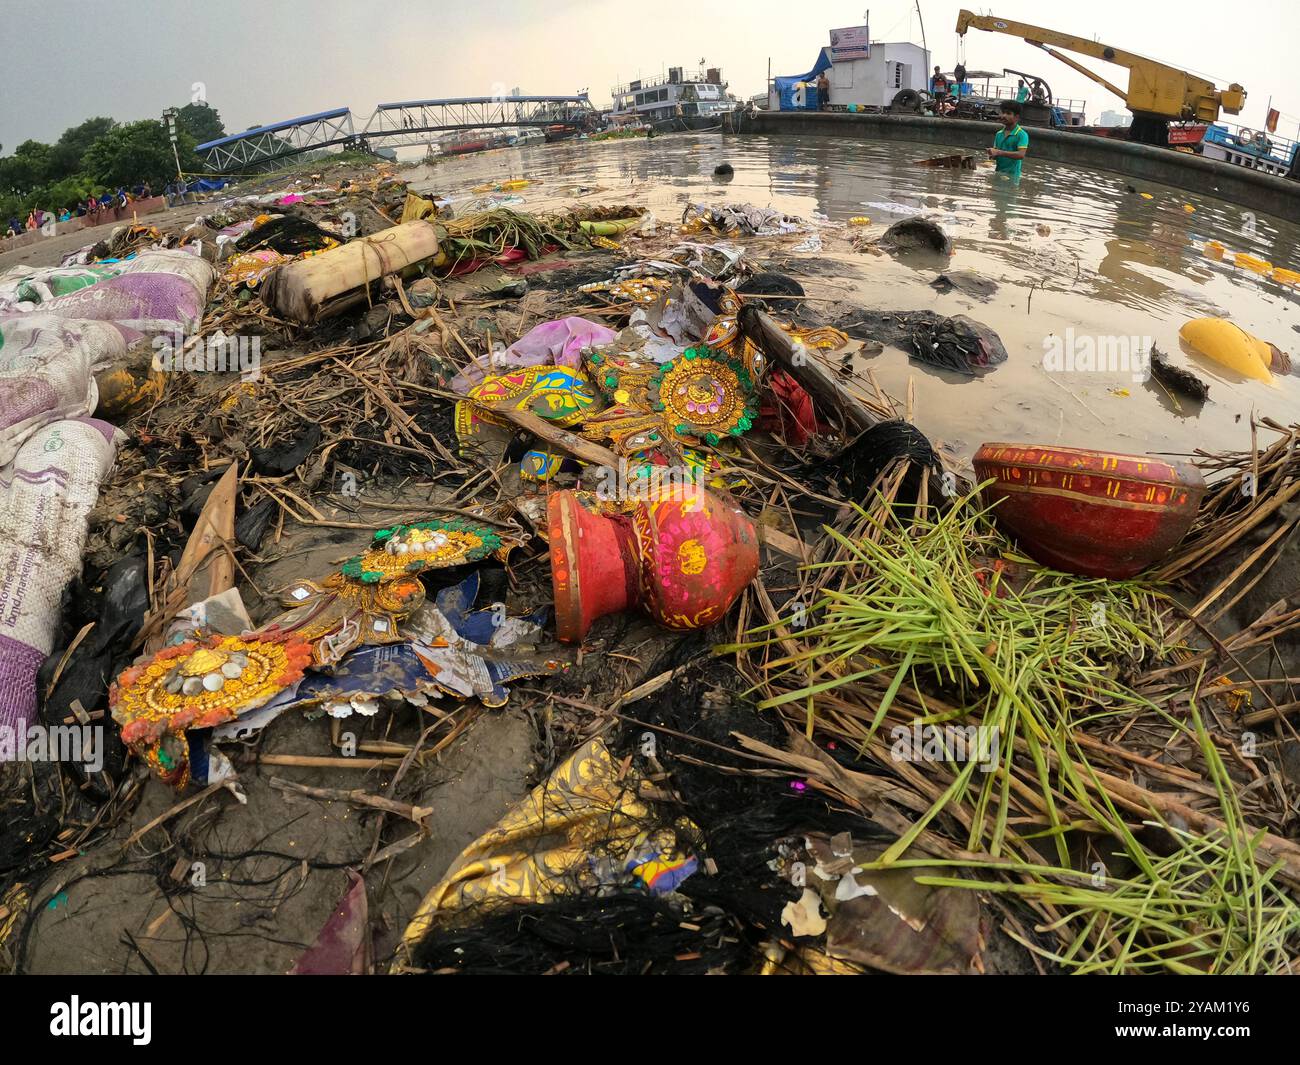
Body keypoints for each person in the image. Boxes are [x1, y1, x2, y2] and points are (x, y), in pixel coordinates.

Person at [988, 101, 1029, 181]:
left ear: (1016, 117)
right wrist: (992, 154)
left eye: (1008, 113)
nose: (1004, 116)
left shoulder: (1022, 134)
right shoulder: (999, 134)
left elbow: (1021, 155)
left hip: (1013, 177)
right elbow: (996, 155)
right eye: (1003, 112)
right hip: (998, 174)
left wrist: (999, 152)